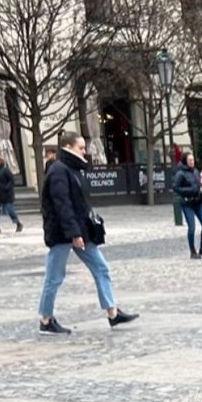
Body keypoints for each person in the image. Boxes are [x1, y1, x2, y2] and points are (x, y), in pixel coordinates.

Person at [36, 131, 138, 335]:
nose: (85, 152)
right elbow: (62, 205)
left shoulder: (71, 169)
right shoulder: (59, 171)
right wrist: (74, 234)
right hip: (63, 233)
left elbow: (76, 204)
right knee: (54, 276)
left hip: (79, 231)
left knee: (101, 268)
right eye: (81, 148)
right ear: (68, 147)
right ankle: (46, 319)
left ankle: (113, 313)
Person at [172, 152, 202, 258]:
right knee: (192, 227)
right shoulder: (180, 173)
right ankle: (192, 251)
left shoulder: (196, 171)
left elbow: (201, 182)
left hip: (198, 201)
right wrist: (191, 190)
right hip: (187, 202)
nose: (192, 162)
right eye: (190, 160)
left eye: (193, 160)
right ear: (185, 161)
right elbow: (176, 187)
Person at [0, 153, 22, 234]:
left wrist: (7, 188)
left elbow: (12, 180)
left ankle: (18, 223)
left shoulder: (5, 170)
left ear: (0, 160)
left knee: (9, 209)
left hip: (5, 194)